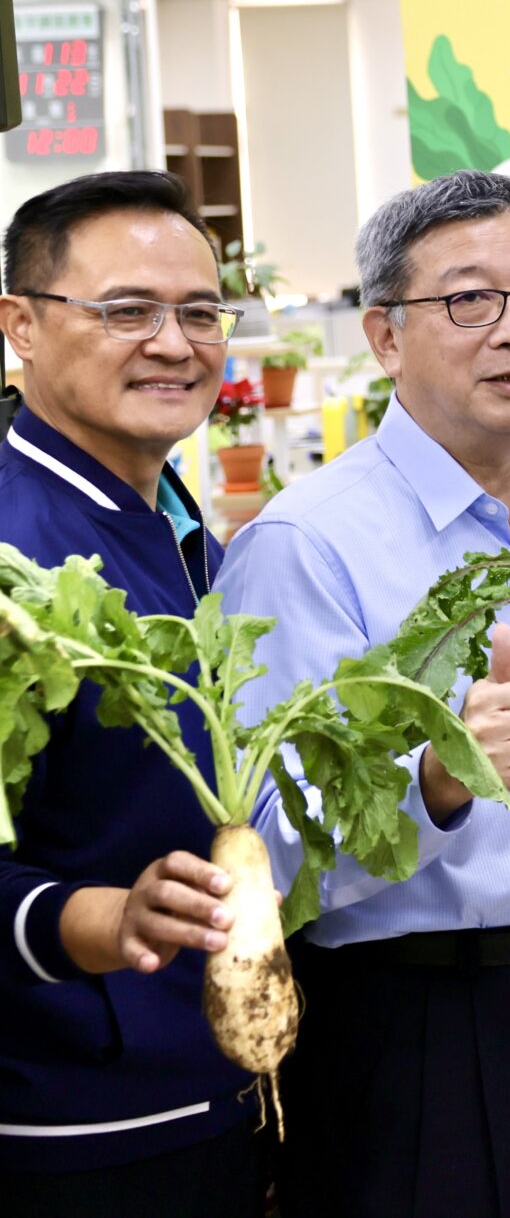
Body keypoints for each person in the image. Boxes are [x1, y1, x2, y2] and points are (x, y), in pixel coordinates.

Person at [219, 171, 510, 1217]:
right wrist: (432, 780)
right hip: (415, 1022)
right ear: (382, 335)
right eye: (469, 300)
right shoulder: (304, 542)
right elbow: (266, 858)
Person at [0, 172, 263, 1215]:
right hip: (69, 1123)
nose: (174, 342)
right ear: (20, 324)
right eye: (126, 311)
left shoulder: (159, 510)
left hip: (210, 1087)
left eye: (200, 312)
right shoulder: (17, 553)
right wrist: (90, 918)